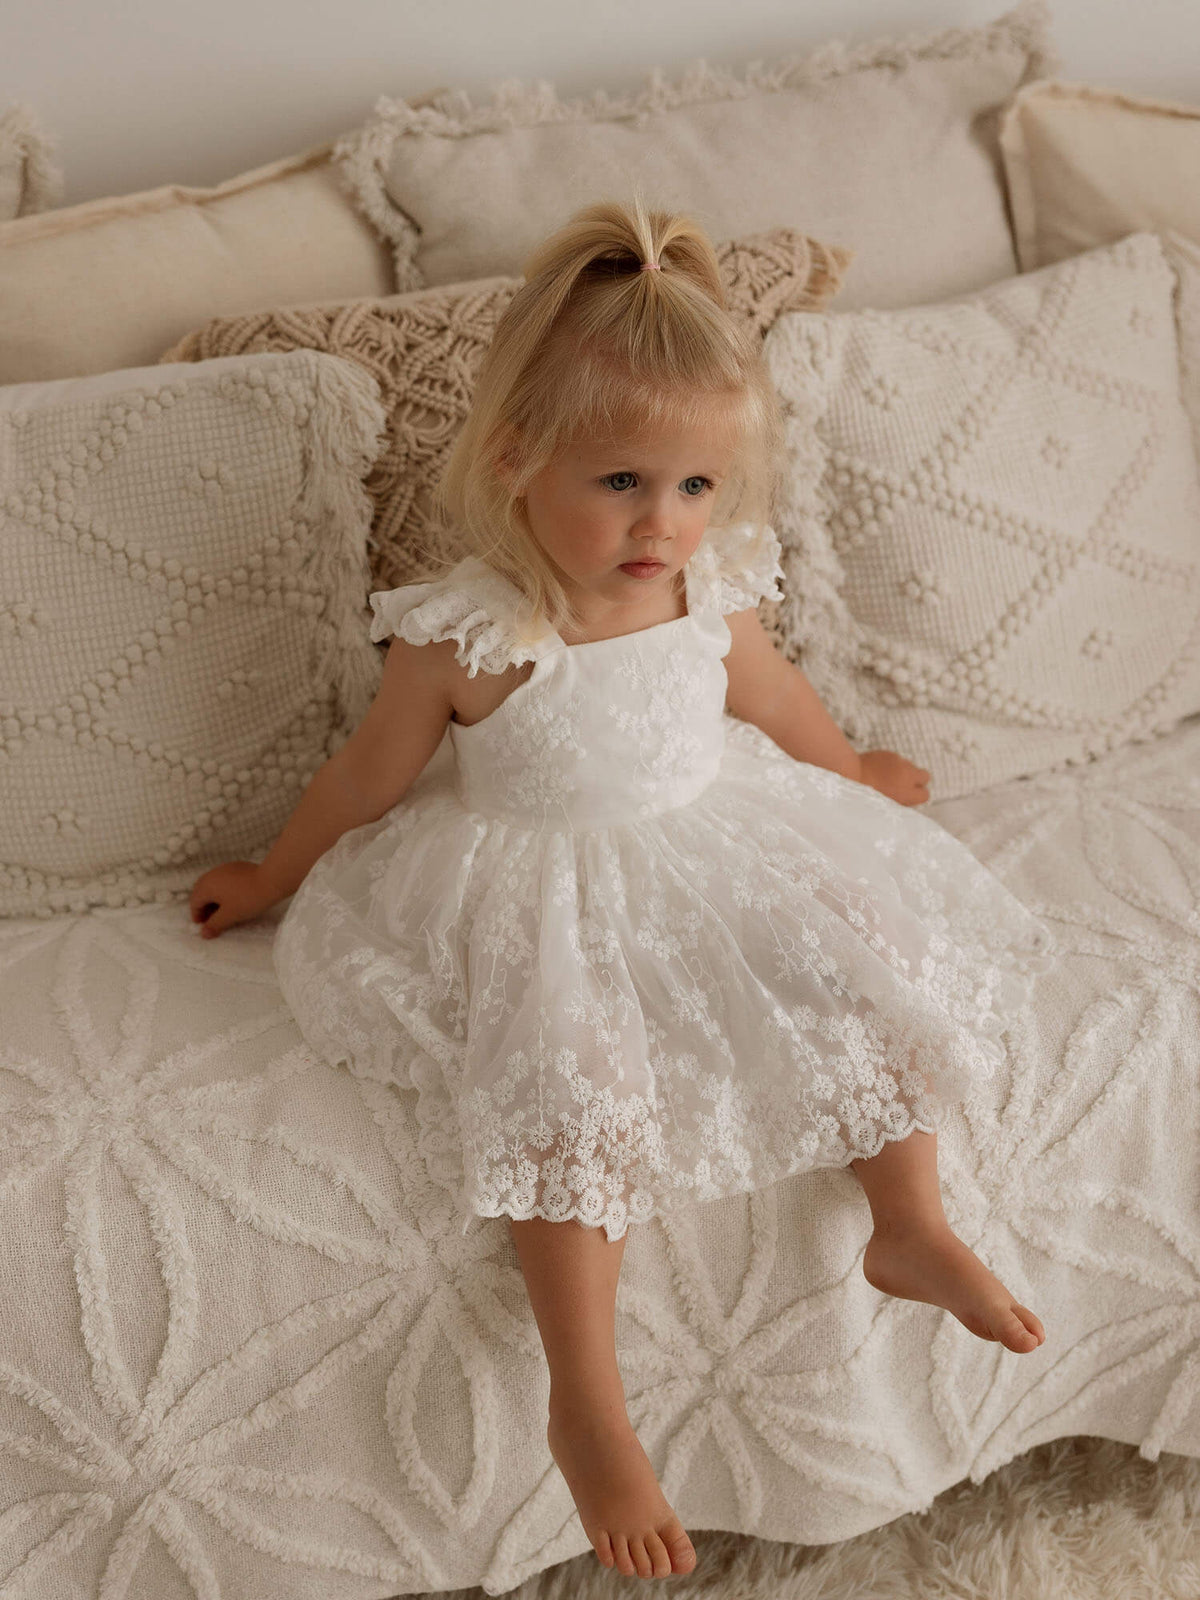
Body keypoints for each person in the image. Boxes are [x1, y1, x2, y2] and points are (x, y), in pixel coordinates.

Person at [188, 195, 1056, 1582]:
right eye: (624, 486)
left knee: (861, 959)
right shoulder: (470, 634)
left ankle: (911, 1222)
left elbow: (774, 700)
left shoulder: (705, 593)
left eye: (698, 488)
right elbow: (364, 783)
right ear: (520, 460)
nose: (666, 524)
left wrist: (853, 773)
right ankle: (586, 1397)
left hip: (718, 835)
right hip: (538, 881)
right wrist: (271, 874)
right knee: (569, 1080)